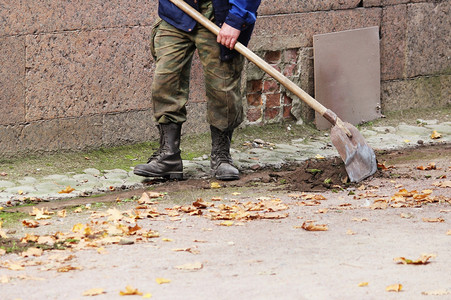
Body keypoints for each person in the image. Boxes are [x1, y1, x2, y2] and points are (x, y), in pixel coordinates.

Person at [134, 0, 261, 181]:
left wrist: (236, 20)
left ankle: (221, 156)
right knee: (165, 81)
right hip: (177, 12)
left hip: (219, 14)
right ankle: (169, 155)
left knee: (222, 89)